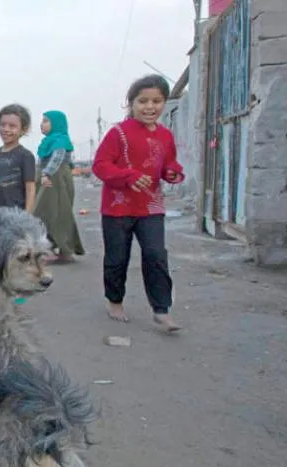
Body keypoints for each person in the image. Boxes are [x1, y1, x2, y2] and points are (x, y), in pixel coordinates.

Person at [92, 74, 185, 333]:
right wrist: (129, 176)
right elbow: (100, 166)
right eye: (143, 101)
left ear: (164, 103)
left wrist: (173, 173)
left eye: (156, 101)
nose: (150, 106)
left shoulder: (165, 135)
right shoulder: (118, 133)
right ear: (131, 103)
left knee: (156, 255)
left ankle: (162, 309)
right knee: (117, 257)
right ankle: (115, 301)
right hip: (117, 208)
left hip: (151, 207)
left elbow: (169, 164)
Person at [33, 110, 86, 263]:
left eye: (46, 121)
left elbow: (57, 159)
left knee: (57, 213)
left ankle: (64, 250)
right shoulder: (52, 140)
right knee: (49, 212)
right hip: (52, 177)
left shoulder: (59, 139)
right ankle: (56, 248)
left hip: (54, 178)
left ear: (56, 124)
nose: (42, 124)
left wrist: (46, 174)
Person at [0, 104, 37, 213]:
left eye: (12, 126)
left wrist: (27, 216)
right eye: (2, 125)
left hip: (16, 215)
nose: (6, 129)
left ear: (23, 129)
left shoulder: (26, 156)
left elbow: (30, 189)